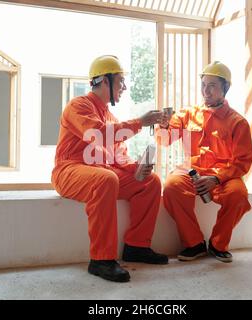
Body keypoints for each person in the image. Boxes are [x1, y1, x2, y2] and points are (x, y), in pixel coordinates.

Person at [51, 55, 168, 283]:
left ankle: (136, 246)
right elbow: (98, 134)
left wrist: (138, 168)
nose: (124, 87)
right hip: (69, 171)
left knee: (150, 182)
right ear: (104, 81)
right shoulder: (78, 105)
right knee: (105, 180)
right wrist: (139, 123)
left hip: (101, 172)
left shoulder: (108, 115)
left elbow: (118, 156)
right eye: (120, 81)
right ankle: (101, 260)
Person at [158, 61, 252, 263]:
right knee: (172, 186)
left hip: (223, 177)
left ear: (225, 88)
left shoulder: (238, 122)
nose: (206, 91)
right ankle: (194, 243)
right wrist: (163, 126)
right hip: (191, 172)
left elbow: (243, 162)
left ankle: (218, 245)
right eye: (203, 85)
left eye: (212, 86)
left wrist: (216, 179)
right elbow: (164, 141)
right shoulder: (187, 115)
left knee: (238, 195)